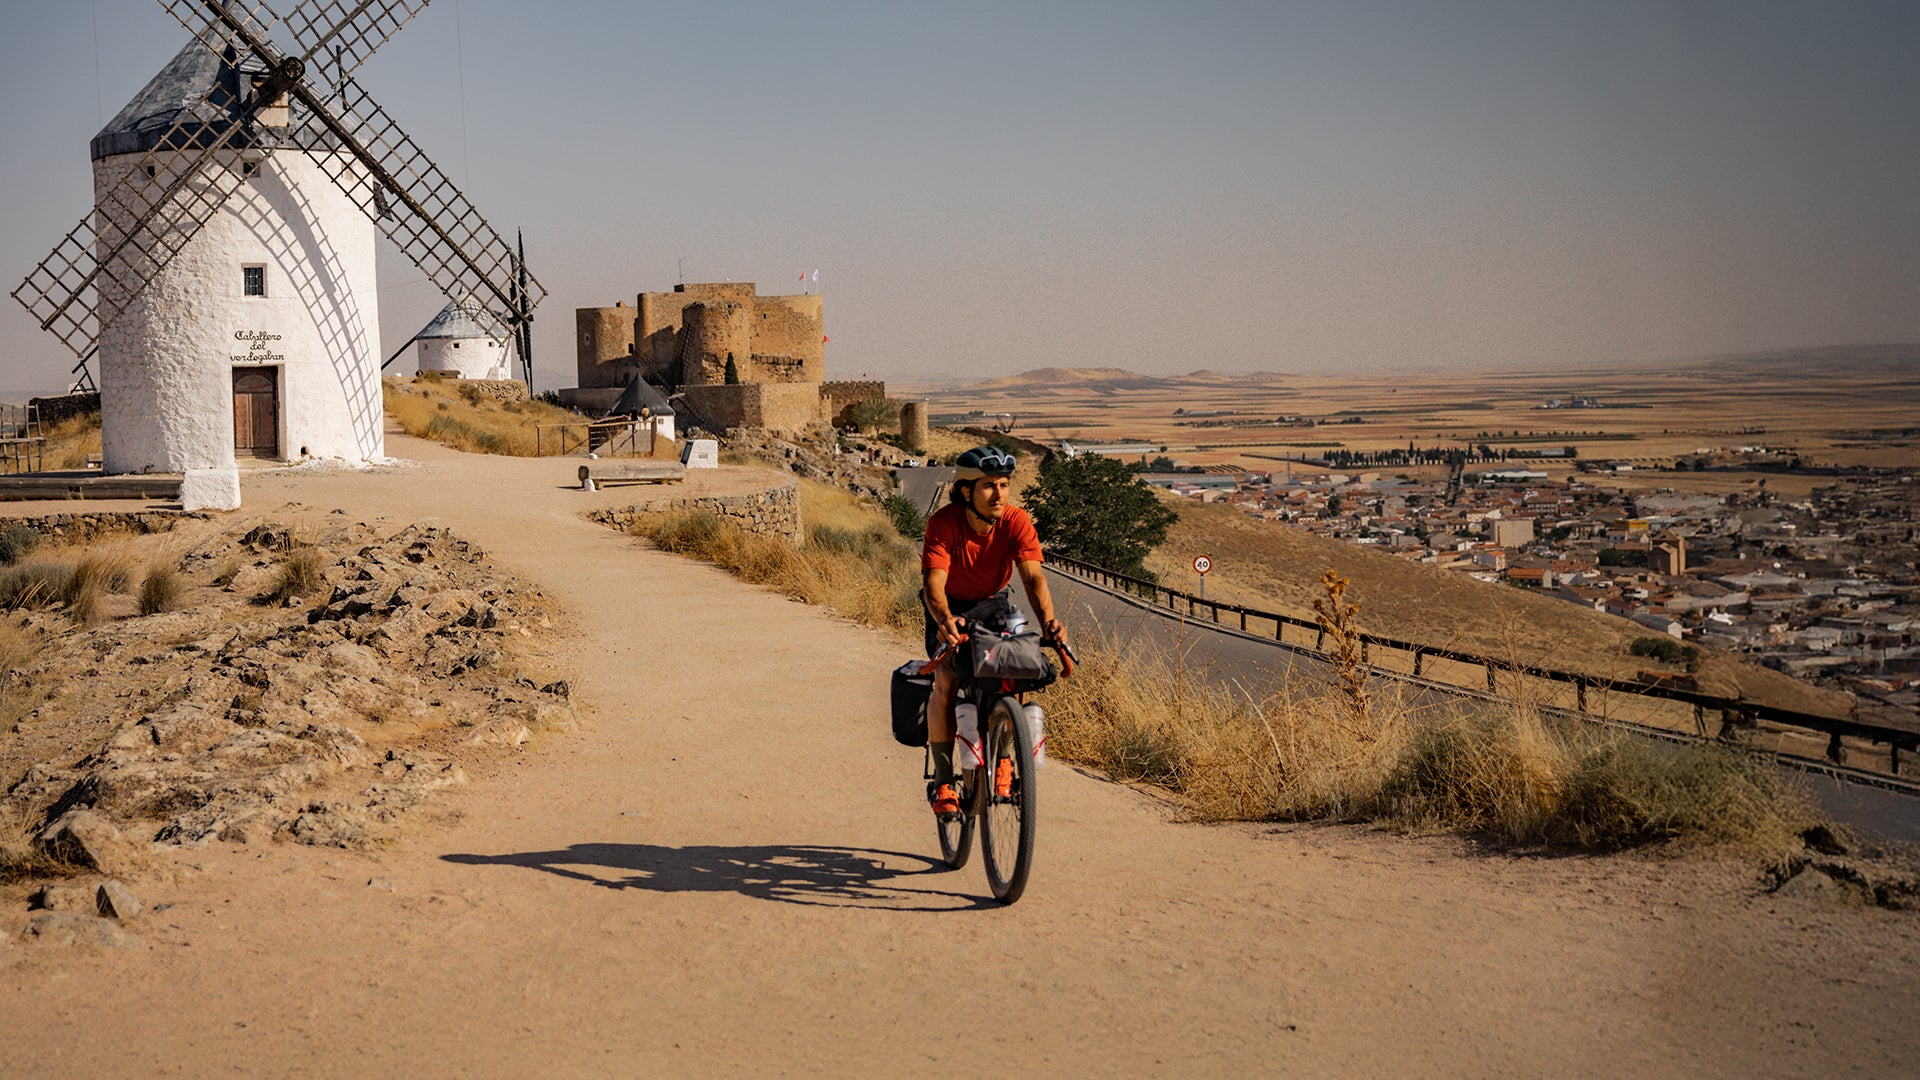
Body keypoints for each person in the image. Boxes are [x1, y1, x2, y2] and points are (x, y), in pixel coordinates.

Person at [920, 445, 1067, 815]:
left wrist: (1049, 620)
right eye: (989, 486)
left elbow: (1033, 577)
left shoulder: (1015, 520)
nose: (999, 493)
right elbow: (933, 584)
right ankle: (943, 782)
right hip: (950, 609)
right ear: (967, 492)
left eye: (1004, 484)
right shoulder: (943, 523)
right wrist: (944, 620)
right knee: (946, 680)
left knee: (1014, 670)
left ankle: (1003, 758)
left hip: (995, 603)